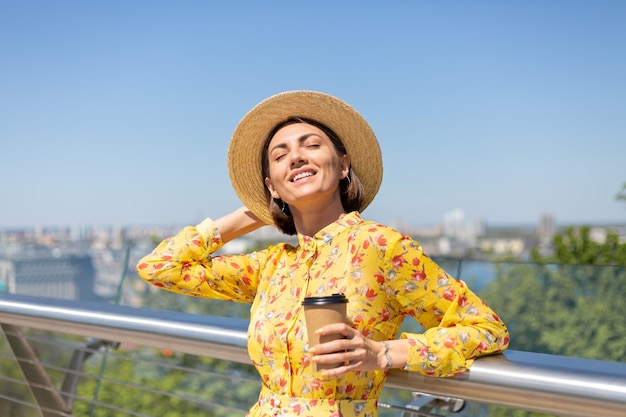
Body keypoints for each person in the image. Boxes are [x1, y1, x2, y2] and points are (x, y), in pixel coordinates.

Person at [136, 90, 509, 416]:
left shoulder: (379, 246)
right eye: (280, 156)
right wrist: (251, 212)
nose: (296, 157)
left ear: (343, 165)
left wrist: (384, 354)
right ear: (273, 186)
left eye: (311, 145)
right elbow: (160, 267)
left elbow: (486, 330)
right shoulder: (273, 265)